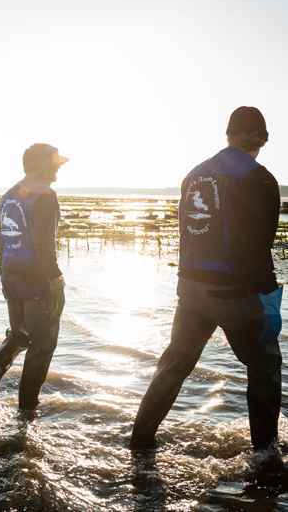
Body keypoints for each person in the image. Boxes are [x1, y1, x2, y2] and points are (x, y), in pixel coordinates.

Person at [130, 107, 283, 462]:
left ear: (228, 134)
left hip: (191, 292)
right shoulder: (259, 179)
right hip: (235, 295)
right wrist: (269, 302)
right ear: (261, 138)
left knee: (174, 365)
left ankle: (140, 442)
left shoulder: (194, 175)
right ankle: (265, 457)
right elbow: (260, 247)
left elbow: (189, 233)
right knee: (265, 366)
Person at [0, 143, 68, 415]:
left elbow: (0, 241)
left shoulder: (9, 195)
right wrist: (55, 279)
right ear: (42, 166)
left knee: (18, 337)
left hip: (11, 276)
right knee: (42, 347)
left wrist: (4, 275)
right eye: (54, 164)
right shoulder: (46, 196)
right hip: (37, 280)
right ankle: (27, 413)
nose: (58, 169)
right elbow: (43, 245)